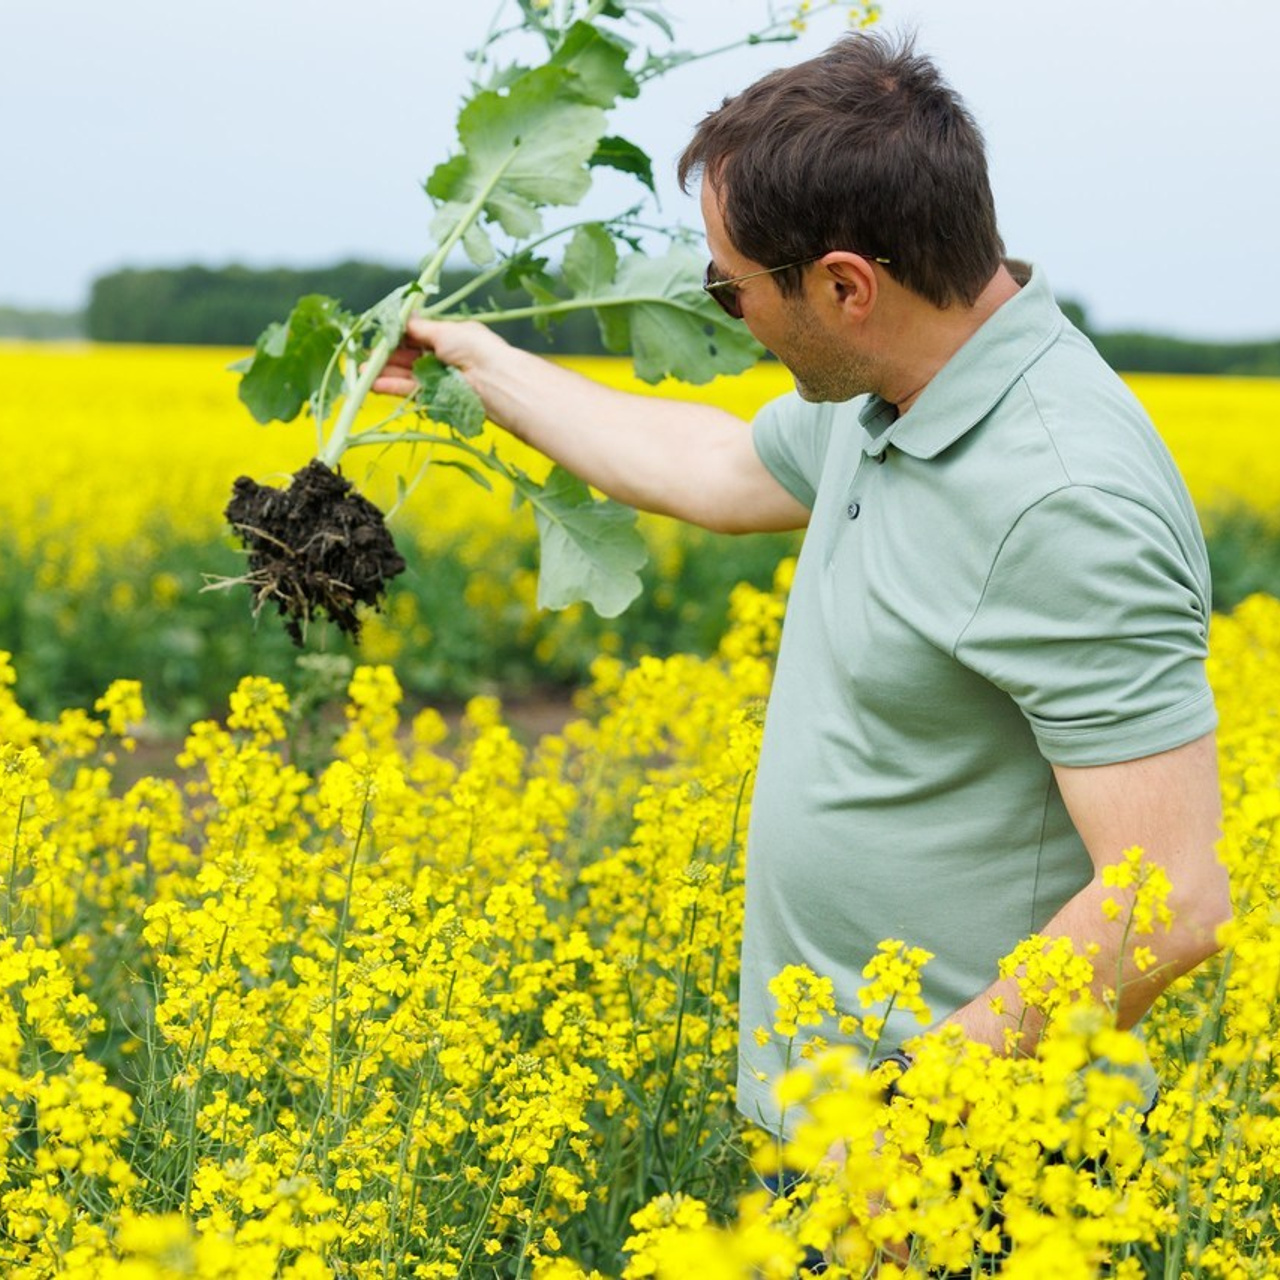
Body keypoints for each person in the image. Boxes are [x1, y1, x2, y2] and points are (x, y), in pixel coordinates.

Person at [374, 32, 1230, 1143]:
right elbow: (717, 467)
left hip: (964, 1160)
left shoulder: (1060, 498)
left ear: (843, 287)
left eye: (727, 292)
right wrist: (480, 368)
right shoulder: (893, 396)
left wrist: (899, 1114)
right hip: (851, 1133)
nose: (724, 312)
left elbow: (1169, 899)